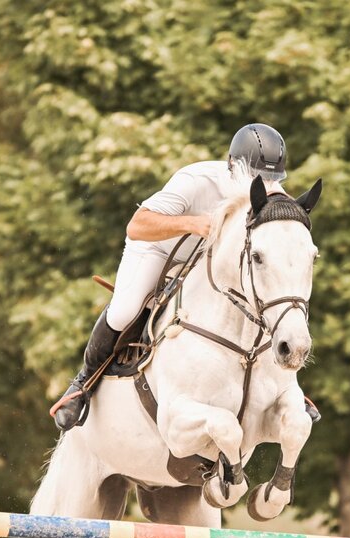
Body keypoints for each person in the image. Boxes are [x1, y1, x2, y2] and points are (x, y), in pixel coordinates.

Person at [52, 123, 316, 431]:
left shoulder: (271, 196)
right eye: (259, 177)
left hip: (204, 261)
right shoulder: (196, 180)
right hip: (158, 248)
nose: (268, 186)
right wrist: (192, 224)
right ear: (232, 166)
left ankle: (286, 388)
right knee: (125, 309)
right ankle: (83, 383)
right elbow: (137, 226)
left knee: (260, 300)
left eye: (273, 179)